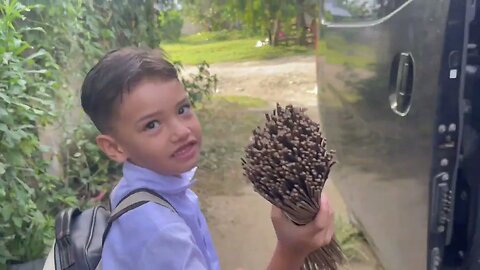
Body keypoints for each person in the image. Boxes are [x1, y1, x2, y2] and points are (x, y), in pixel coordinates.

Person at [80, 47, 335, 270]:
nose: (181, 131)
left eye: (182, 109)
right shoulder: (160, 232)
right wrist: (291, 251)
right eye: (152, 125)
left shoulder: (147, 190)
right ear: (114, 148)